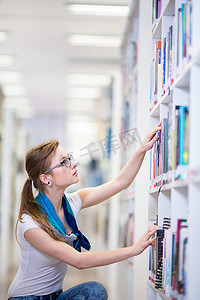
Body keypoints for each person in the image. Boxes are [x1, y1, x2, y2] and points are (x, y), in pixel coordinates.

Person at [7, 123, 161, 300]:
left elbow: (121, 182)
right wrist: (133, 250)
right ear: (46, 178)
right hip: (26, 297)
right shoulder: (30, 222)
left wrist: (142, 148)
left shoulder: (72, 202)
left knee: (95, 290)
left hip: (56, 295)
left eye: (69, 158)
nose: (73, 164)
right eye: (64, 162)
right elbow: (79, 261)